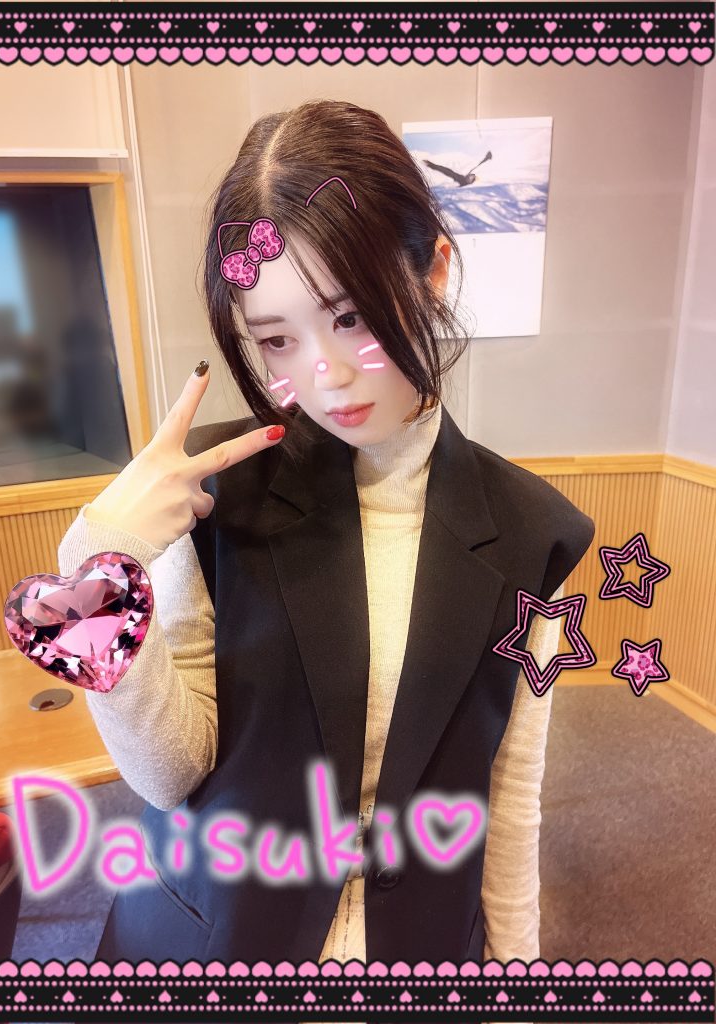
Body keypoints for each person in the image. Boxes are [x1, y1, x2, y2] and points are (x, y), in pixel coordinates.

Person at [57, 99, 594, 975]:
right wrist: (95, 566)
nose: (327, 375)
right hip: (220, 944)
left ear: (434, 273)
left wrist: (513, 973)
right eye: (277, 339)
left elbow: (510, 792)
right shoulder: (215, 498)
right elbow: (170, 774)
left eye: (351, 318)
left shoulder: (537, 536)